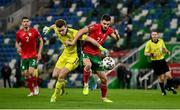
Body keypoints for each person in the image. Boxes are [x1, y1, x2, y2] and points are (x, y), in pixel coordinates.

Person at [43, 19, 108, 103]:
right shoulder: (57, 29)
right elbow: (54, 26)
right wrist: (48, 28)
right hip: (64, 55)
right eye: (59, 31)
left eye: (63, 30)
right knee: (55, 75)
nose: (61, 33)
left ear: (66, 27)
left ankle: (54, 96)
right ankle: (62, 85)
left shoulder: (74, 33)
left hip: (74, 57)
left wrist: (101, 48)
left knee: (61, 75)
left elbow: (90, 39)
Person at [65, 14, 120, 102]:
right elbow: (81, 31)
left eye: (107, 24)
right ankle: (86, 85)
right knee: (88, 65)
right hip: (86, 51)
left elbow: (116, 38)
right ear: (101, 22)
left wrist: (117, 35)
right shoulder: (95, 27)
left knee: (104, 79)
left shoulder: (109, 30)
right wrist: (74, 41)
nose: (105, 26)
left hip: (96, 55)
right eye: (104, 23)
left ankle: (104, 98)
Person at [15, 16, 43, 96]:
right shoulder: (19, 33)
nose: (25, 23)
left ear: (29, 22)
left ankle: (36, 86)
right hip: (24, 57)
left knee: (31, 72)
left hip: (33, 55)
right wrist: (18, 47)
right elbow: (17, 42)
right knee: (25, 74)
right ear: (22, 23)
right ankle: (31, 91)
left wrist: (39, 52)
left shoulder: (34, 31)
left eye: (27, 21)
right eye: (24, 21)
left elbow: (41, 41)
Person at [144, 30, 177, 96]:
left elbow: (164, 49)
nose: (154, 36)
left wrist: (167, 51)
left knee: (169, 75)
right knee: (161, 78)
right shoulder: (149, 43)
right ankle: (163, 91)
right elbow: (145, 53)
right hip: (155, 62)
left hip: (162, 61)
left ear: (157, 35)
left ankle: (170, 87)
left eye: (155, 34)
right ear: (151, 36)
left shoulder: (161, 41)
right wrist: (152, 54)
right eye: (153, 35)